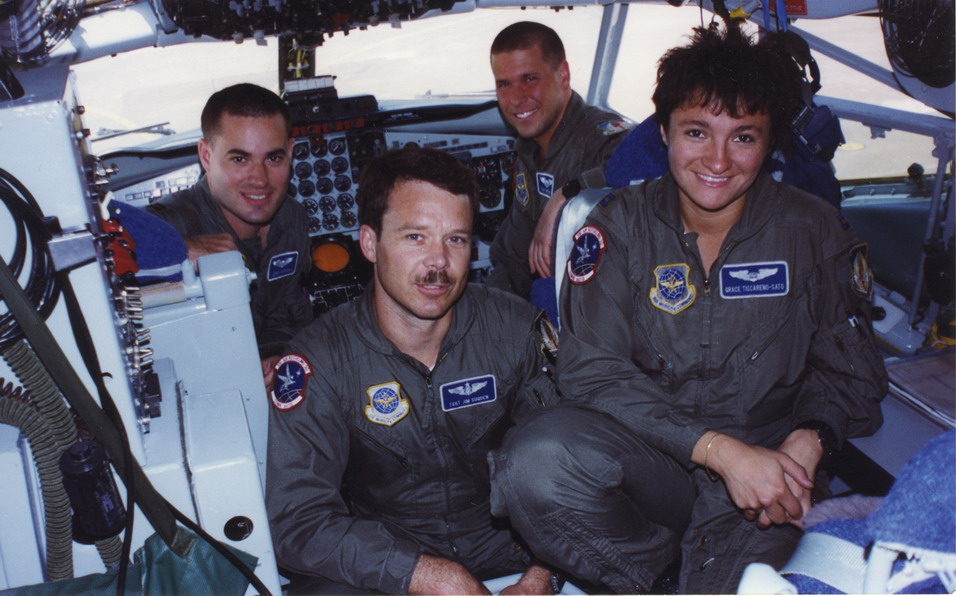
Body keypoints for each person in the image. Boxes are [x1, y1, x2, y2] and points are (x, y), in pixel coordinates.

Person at [488, 22, 887, 594]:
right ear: (666, 132)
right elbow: (592, 372)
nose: (718, 160)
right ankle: (653, 573)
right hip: (653, 466)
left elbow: (853, 371)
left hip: (768, 475)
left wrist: (805, 446)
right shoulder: (618, 226)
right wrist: (721, 453)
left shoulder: (813, 229)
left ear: (768, 140)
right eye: (697, 132)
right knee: (536, 460)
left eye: (743, 137)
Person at [265, 147, 560, 595]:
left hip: (513, 554)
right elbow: (297, 520)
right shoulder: (322, 359)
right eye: (415, 238)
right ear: (369, 243)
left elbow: (578, 461)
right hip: (389, 567)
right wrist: (423, 574)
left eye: (456, 239)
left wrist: (545, 572)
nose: (438, 263)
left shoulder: (515, 330)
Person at [146, 83, 313, 388]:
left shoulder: (292, 219)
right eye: (239, 159)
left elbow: (283, 313)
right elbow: (102, 251)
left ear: (290, 152)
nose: (260, 179)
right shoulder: (169, 223)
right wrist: (174, 250)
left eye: (273, 158)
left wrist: (278, 355)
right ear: (206, 155)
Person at [487, 21, 629, 299]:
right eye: (504, 84)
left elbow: (642, 170)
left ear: (563, 75)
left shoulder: (603, 139)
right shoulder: (528, 150)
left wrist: (568, 193)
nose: (516, 98)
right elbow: (512, 257)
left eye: (530, 79)